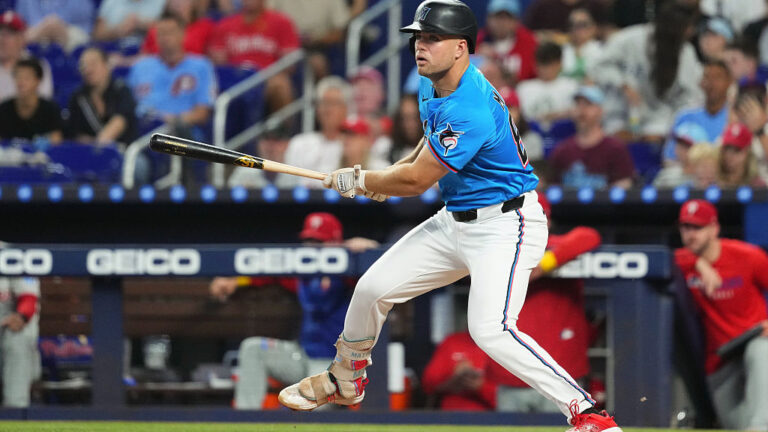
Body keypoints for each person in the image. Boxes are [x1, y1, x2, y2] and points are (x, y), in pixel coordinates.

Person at [279, 2, 622, 431]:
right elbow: (424, 150)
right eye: (418, 38)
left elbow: (418, 180)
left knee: (490, 329)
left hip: (505, 224)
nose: (420, 47)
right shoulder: (430, 82)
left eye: (431, 39)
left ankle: (587, 412)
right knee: (372, 288)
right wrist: (375, 181)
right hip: (455, 218)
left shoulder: (472, 105)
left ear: (461, 47)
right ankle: (345, 377)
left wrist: (370, 179)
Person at [209, 212, 377, 409]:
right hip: (302, 355)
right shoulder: (301, 272)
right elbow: (265, 274)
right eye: (308, 240)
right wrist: (235, 281)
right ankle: (246, 422)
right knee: (253, 349)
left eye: (318, 241)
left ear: (334, 243)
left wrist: (367, 246)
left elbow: (383, 266)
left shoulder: (349, 274)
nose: (312, 247)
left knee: (309, 418)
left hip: (334, 364)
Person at [492, 194, 601, 412]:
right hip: (512, 376)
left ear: (547, 220)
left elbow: (588, 236)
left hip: (561, 377)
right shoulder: (498, 250)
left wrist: (544, 265)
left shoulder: (556, 247)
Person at [674, 199, 768, 430]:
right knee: (735, 424)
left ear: (714, 228)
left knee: (762, 350)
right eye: (685, 227)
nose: (690, 234)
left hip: (753, 342)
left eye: (698, 227)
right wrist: (700, 264)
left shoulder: (747, 256)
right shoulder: (683, 263)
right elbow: (665, 258)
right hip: (721, 359)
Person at [589, 2, 703, 142]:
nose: (691, 32)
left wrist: (675, 121)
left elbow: (690, 95)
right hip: (621, 111)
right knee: (616, 136)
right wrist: (622, 84)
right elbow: (599, 67)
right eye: (687, 27)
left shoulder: (686, 53)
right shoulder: (630, 38)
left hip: (659, 117)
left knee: (657, 136)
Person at [127, 12, 216, 139]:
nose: (165, 37)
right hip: (143, 132)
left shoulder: (201, 66)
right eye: (161, 33)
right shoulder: (141, 66)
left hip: (182, 134)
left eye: (170, 32)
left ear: (183, 34)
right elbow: (128, 106)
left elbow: (202, 113)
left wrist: (171, 120)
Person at [208, 0, 299, 113]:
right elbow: (218, 63)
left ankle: (282, 129)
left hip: (266, 79)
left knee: (281, 84)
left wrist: (264, 76)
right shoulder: (225, 25)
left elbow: (290, 63)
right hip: (236, 79)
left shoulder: (281, 21)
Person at [548, 86, 635, 189]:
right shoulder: (562, 150)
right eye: (578, 105)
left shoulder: (615, 148)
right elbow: (552, 187)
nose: (581, 110)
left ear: (600, 110)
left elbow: (624, 185)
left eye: (587, 104)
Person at [662, 59, 733, 165]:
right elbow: (668, 159)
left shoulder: (734, 118)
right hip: (686, 177)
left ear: (729, 81)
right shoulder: (684, 116)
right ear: (700, 83)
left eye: (717, 77)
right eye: (707, 77)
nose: (711, 83)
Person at [283, 76, 349, 188]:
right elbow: (288, 183)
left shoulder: (352, 146)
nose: (328, 110)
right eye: (324, 103)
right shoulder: (299, 143)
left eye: (334, 103)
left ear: (346, 108)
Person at [65, 47, 137, 146]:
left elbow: (120, 121)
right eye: (83, 65)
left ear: (107, 65)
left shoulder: (121, 89)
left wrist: (100, 147)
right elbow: (76, 134)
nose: (88, 70)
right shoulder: (78, 96)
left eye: (93, 64)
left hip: (124, 150)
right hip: (90, 151)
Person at [0, 270, 41, 407]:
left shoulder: (14, 256)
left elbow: (29, 299)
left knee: (18, 339)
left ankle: (15, 408)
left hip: (6, 330)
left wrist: (21, 317)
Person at [0, 57, 62, 145]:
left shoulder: (50, 109)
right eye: (18, 76)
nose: (21, 83)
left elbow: (56, 137)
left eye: (26, 78)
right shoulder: (4, 109)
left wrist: (48, 143)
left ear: (37, 81)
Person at [516, 42, 579, 127]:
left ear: (559, 64)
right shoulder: (523, 88)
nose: (545, 69)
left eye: (550, 64)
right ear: (535, 65)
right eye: (542, 64)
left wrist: (550, 117)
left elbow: (577, 113)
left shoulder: (571, 86)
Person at [476, 0, 538, 83]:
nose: (502, 23)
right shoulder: (477, 41)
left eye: (507, 18)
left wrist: (495, 58)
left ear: (517, 21)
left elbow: (533, 77)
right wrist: (477, 56)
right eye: (498, 17)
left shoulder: (529, 42)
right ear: (488, 19)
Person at [0, 10, 53, 102]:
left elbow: (42, 104)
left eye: (8, 34)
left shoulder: (37, 66)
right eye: (0, 33)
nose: (2, 39)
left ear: (21, 38)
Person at [227, 124, 298, 189]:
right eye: (266, 139)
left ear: (287, 144)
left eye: (276, 140)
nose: (271, 146)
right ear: (258, 144)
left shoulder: (295, 173)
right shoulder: (245, 171)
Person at [15, 0, 94, 52]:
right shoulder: (26, 1)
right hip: (36, 32)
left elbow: (83, 23)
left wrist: (53, 26)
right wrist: (47, 27)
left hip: (70, 31)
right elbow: (22, 23)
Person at [141, 0, 215, 55]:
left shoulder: (206, 27)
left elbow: (213, 55)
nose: (178, 2)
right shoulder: (157, 29)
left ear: (193, 2)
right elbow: (143, 56)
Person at [717, 123, 767, 188]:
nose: (729, 155)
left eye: (736, 150)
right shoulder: (714, 180)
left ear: (747, 152)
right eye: (726, 149)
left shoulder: (757, 185)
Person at [92, 0, 166, 43]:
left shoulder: (161, 2)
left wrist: (144, 25)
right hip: (116, 49)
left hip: (150, 52)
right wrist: (116, 31)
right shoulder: (111, 1)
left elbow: (175, 31)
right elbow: (97, 35)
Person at [560, 8, 602, 82]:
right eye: (573, 24)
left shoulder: (601, 49)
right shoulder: (562, 50)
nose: (578, 29)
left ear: (593, 27)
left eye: (583, 24)